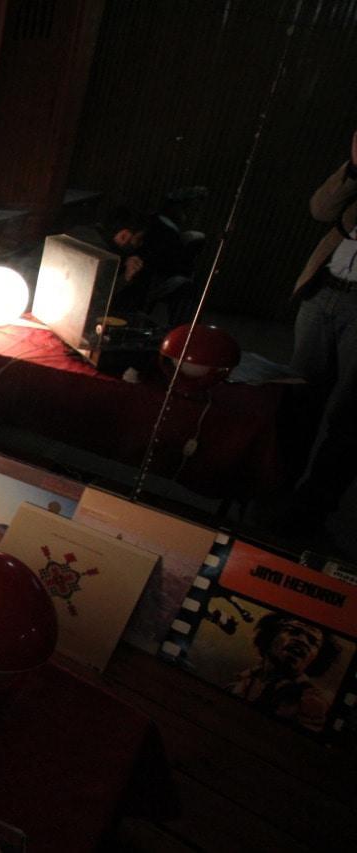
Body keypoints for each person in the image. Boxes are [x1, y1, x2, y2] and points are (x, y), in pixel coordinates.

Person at [285, 130, 357, 529]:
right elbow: (320, 209)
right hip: (324, 289)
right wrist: (354, 168)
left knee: (349, 414)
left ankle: (312, 507)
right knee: (300, 396)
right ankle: (277, 484)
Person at [226, 613, 340, 732]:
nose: (302, 641)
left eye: (312, 641)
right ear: (270, 636)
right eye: (293, 632)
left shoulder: (312, 701)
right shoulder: (239, 684)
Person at [101, 205, 189, 316]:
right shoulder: (106, 258)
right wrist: (125, 277)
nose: (140, 244)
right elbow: (100, 298)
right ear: (124, 236)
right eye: (138, 239)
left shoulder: (92, 237)